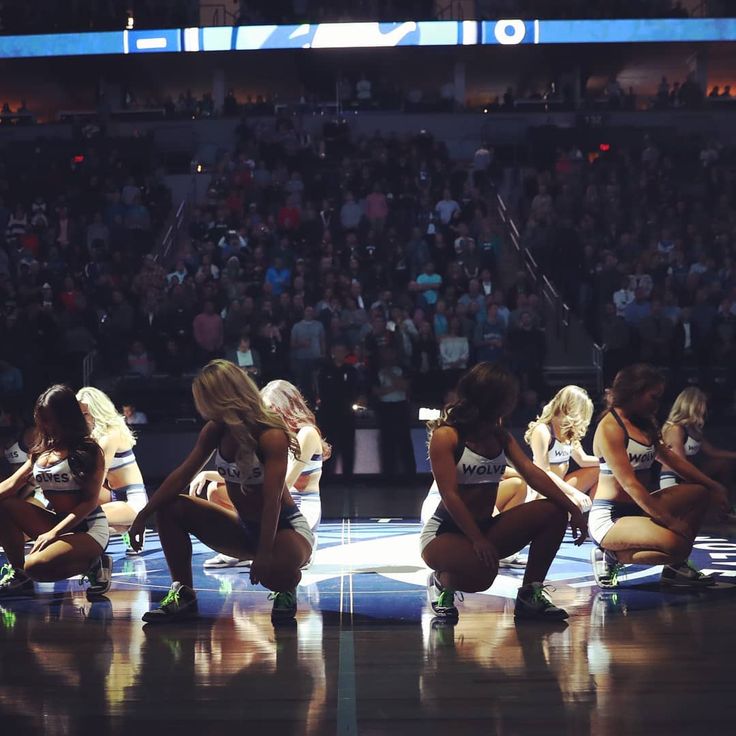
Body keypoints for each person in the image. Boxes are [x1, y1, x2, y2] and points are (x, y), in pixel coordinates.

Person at [128, 360, 313, 623]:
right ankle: (183, 592)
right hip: (244, 527)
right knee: (171, 506)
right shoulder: (215, 429)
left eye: (202, 397)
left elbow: (272, 501)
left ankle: (287, 586)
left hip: (285, 527)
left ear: (219, 397)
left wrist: (262, 554)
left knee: (274, 571)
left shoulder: (271, 433)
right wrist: (142, 515)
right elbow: (181, 475)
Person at [420, 363, 587, 622]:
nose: (515, 400)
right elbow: (450, 496)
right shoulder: (447, 436)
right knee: (483, 575)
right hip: (445, 532)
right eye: (511, 395)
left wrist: (572, 508)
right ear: (494, 398)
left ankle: (530, 595)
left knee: (553, 511)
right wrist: (478, 540)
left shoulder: (499, 435)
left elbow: (532, 473)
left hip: (485, 526)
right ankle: (443, 582)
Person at [589, 365, 729, 590]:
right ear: (635, 393)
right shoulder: (610, 426)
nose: (657, 404)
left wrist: (715, 486)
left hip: (639, 509)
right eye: (654, 397)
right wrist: (670, 521)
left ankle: (676, 568)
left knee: (700, 493)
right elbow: (630, 484)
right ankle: (610, 554)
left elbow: (673, 461)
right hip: (610, 517)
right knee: (677, 545)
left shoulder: (644, 424)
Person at [195, 379, 329, 569]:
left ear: (286, 407)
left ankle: (305, 542)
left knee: (280, 556)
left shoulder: (307, 433)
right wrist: (209, 474)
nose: (264, 414)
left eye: (270, 408)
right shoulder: (270, 434)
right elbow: (254, 473)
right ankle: (242, 547)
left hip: (299, 505)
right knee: (215, 490)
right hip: (276, 500)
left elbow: (285, 482)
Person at [0, 385, 111, 601]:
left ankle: (95, 563)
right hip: (56, 523)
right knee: (5, 505)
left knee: (35, 566)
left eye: (49, 419)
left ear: (66, 417)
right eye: (41, 419)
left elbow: (89, 502)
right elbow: (12, 484)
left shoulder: (88, 450)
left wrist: (54, 533)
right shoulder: (41, 451)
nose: (45, 425)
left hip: (88, 529)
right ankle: (19, 575)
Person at [77, 387, 148, 554]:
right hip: (113, 495)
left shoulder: (110, 436)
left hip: (132, 500)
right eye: (80, 415)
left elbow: (96, 479)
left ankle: (95, 563)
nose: (82, 419)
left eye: (86, 414)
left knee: (82, 517)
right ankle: (123, 527)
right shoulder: (95, 436)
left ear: (97, 411)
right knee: (75, 507)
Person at [524, 386, 599, 511]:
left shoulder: (569, 430)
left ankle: (597, 514)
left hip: (562, 486)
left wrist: (611, 462)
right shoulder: (543, 430)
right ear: (570, 407)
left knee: (601, 469)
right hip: (543, 490)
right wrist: (575, 493)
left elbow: (583, 460)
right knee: (576, 504)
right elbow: (544, 472)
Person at [661, 387, 736, 505]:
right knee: (709, 491)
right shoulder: (675, 429)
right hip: (675, 477)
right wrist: (709, 483)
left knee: (724, 463)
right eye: (703, 404)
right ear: (693, 405)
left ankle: (726, 507)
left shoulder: (693, 428)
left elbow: (712, 451)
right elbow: (680, 463)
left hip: (691, 473)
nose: (705, 408)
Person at [317, 343, 359, 479]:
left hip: (347, 414)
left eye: (342, 351)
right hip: (329, 414)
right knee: (328, 445)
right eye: (337, 350)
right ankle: (326, 478)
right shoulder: (325, 371)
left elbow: (356, 390)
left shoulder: (351, 370)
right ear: (332, 352)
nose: (339, 354)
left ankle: (348, 477)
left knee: (348, 446)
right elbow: (321, 391)